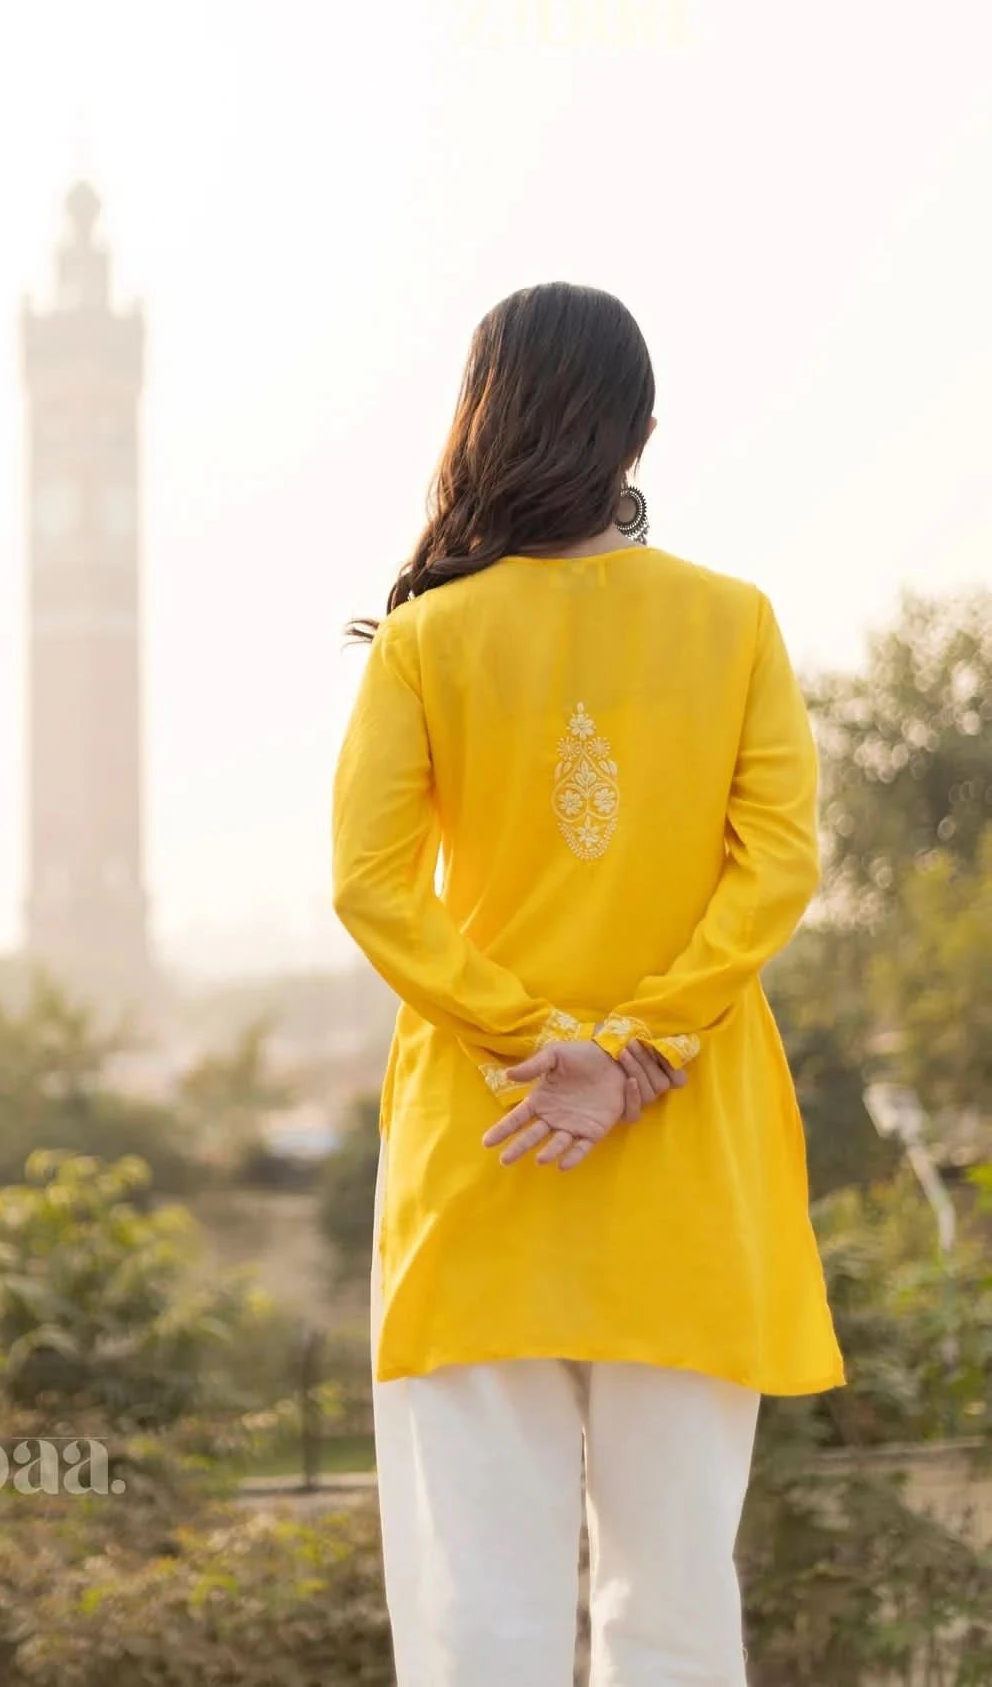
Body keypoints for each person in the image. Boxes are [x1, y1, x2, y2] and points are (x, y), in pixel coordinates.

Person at [331, 282, 844, 1687]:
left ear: (476, 423)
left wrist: (533, 1040)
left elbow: (371, 887)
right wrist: (638, 1050)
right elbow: (780, 865)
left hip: (485, 1163)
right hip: (687, 1165)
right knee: (675, 1606)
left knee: (478, 1619)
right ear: (644, 433)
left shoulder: (427, 640)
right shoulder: (734, 623)